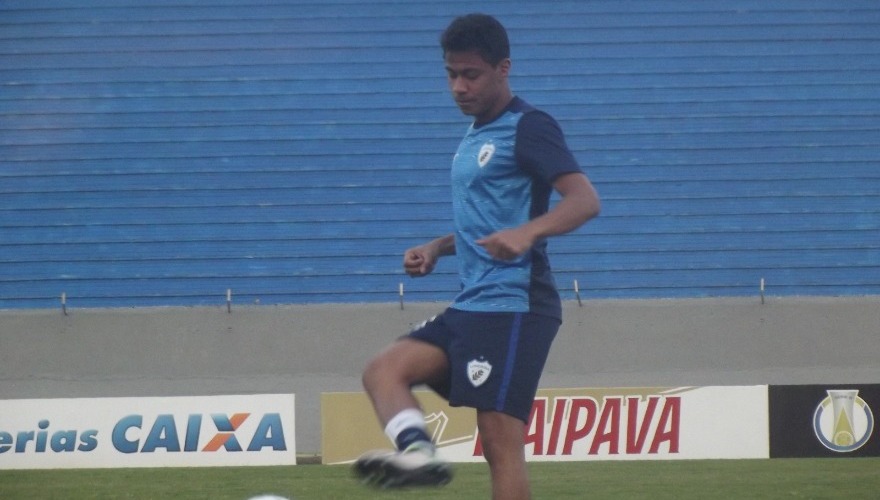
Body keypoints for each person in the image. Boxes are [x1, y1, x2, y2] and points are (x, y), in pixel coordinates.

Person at [354, 13, 600, 500]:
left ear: (503, 69)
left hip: (514, 305)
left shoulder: (529, 127)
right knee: (384, 370)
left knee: (499, 443)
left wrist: (529, 233)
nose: (458, 87)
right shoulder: (473, 137)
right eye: (451, 74)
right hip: (472, 304)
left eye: (471, 74)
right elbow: (485, 224)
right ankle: (420, 455)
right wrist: (437, 247)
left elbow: (584, 200)